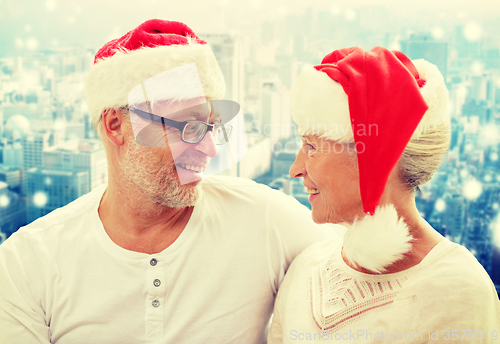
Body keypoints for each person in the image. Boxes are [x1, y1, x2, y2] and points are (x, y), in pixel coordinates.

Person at [0, 19, 338, 344]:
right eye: (187, 127)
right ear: (115, 125)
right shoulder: (27, 263)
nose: (208, 148)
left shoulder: (269, 223)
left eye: (210, 127)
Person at [268, 46, 500, 343]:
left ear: (377, 160)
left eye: (311, 147)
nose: (295, 169)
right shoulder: (305, 267)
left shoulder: (459, 293)